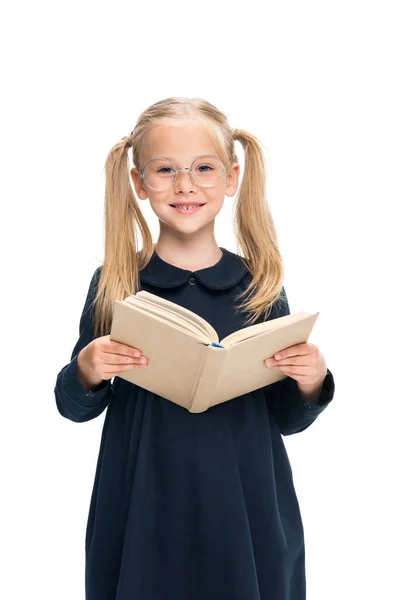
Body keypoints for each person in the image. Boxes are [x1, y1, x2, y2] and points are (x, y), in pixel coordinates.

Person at [54, 96, 335, 600]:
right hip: (143, 504)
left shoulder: (261, 285)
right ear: (140, 183)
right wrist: (88, 369)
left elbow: (288, 419)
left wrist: (311, 380)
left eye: (203, 168)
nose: (185, 185)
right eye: (165, 169)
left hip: (245, 505)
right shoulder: (116, 282)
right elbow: (73, 406)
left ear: (231, 178)